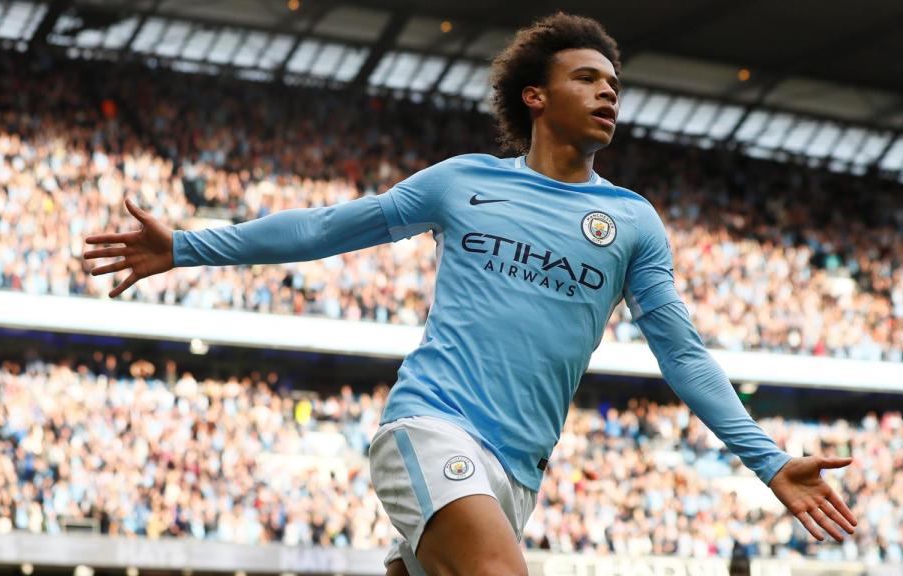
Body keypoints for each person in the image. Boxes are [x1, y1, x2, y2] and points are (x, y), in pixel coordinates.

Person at [84, 12, 857, 576]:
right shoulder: (464, 183)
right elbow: (327, 228)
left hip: (518, 474)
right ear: (535, 97)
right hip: (435, 428)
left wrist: (767, 460)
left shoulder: (633, 223)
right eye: (587, 78)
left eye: (614, 83)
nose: (608, 92)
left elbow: (682, 355)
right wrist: (186, 245)